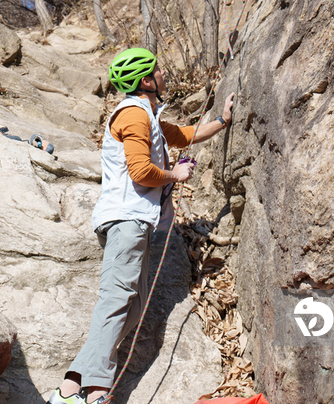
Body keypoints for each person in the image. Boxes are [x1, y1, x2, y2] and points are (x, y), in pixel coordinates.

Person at [48, 47, 234, 404]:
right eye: (159, 69)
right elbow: (141, 172)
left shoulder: (147, 116)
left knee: (131, 307)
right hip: (126, 221)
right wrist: (174, 174)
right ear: (147, 80)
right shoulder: (133, 116)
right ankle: (92, 391)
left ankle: (70, 389)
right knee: (117, 302)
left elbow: (184, 134)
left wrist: (222, 120)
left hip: (136, 224)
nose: (165, 73)